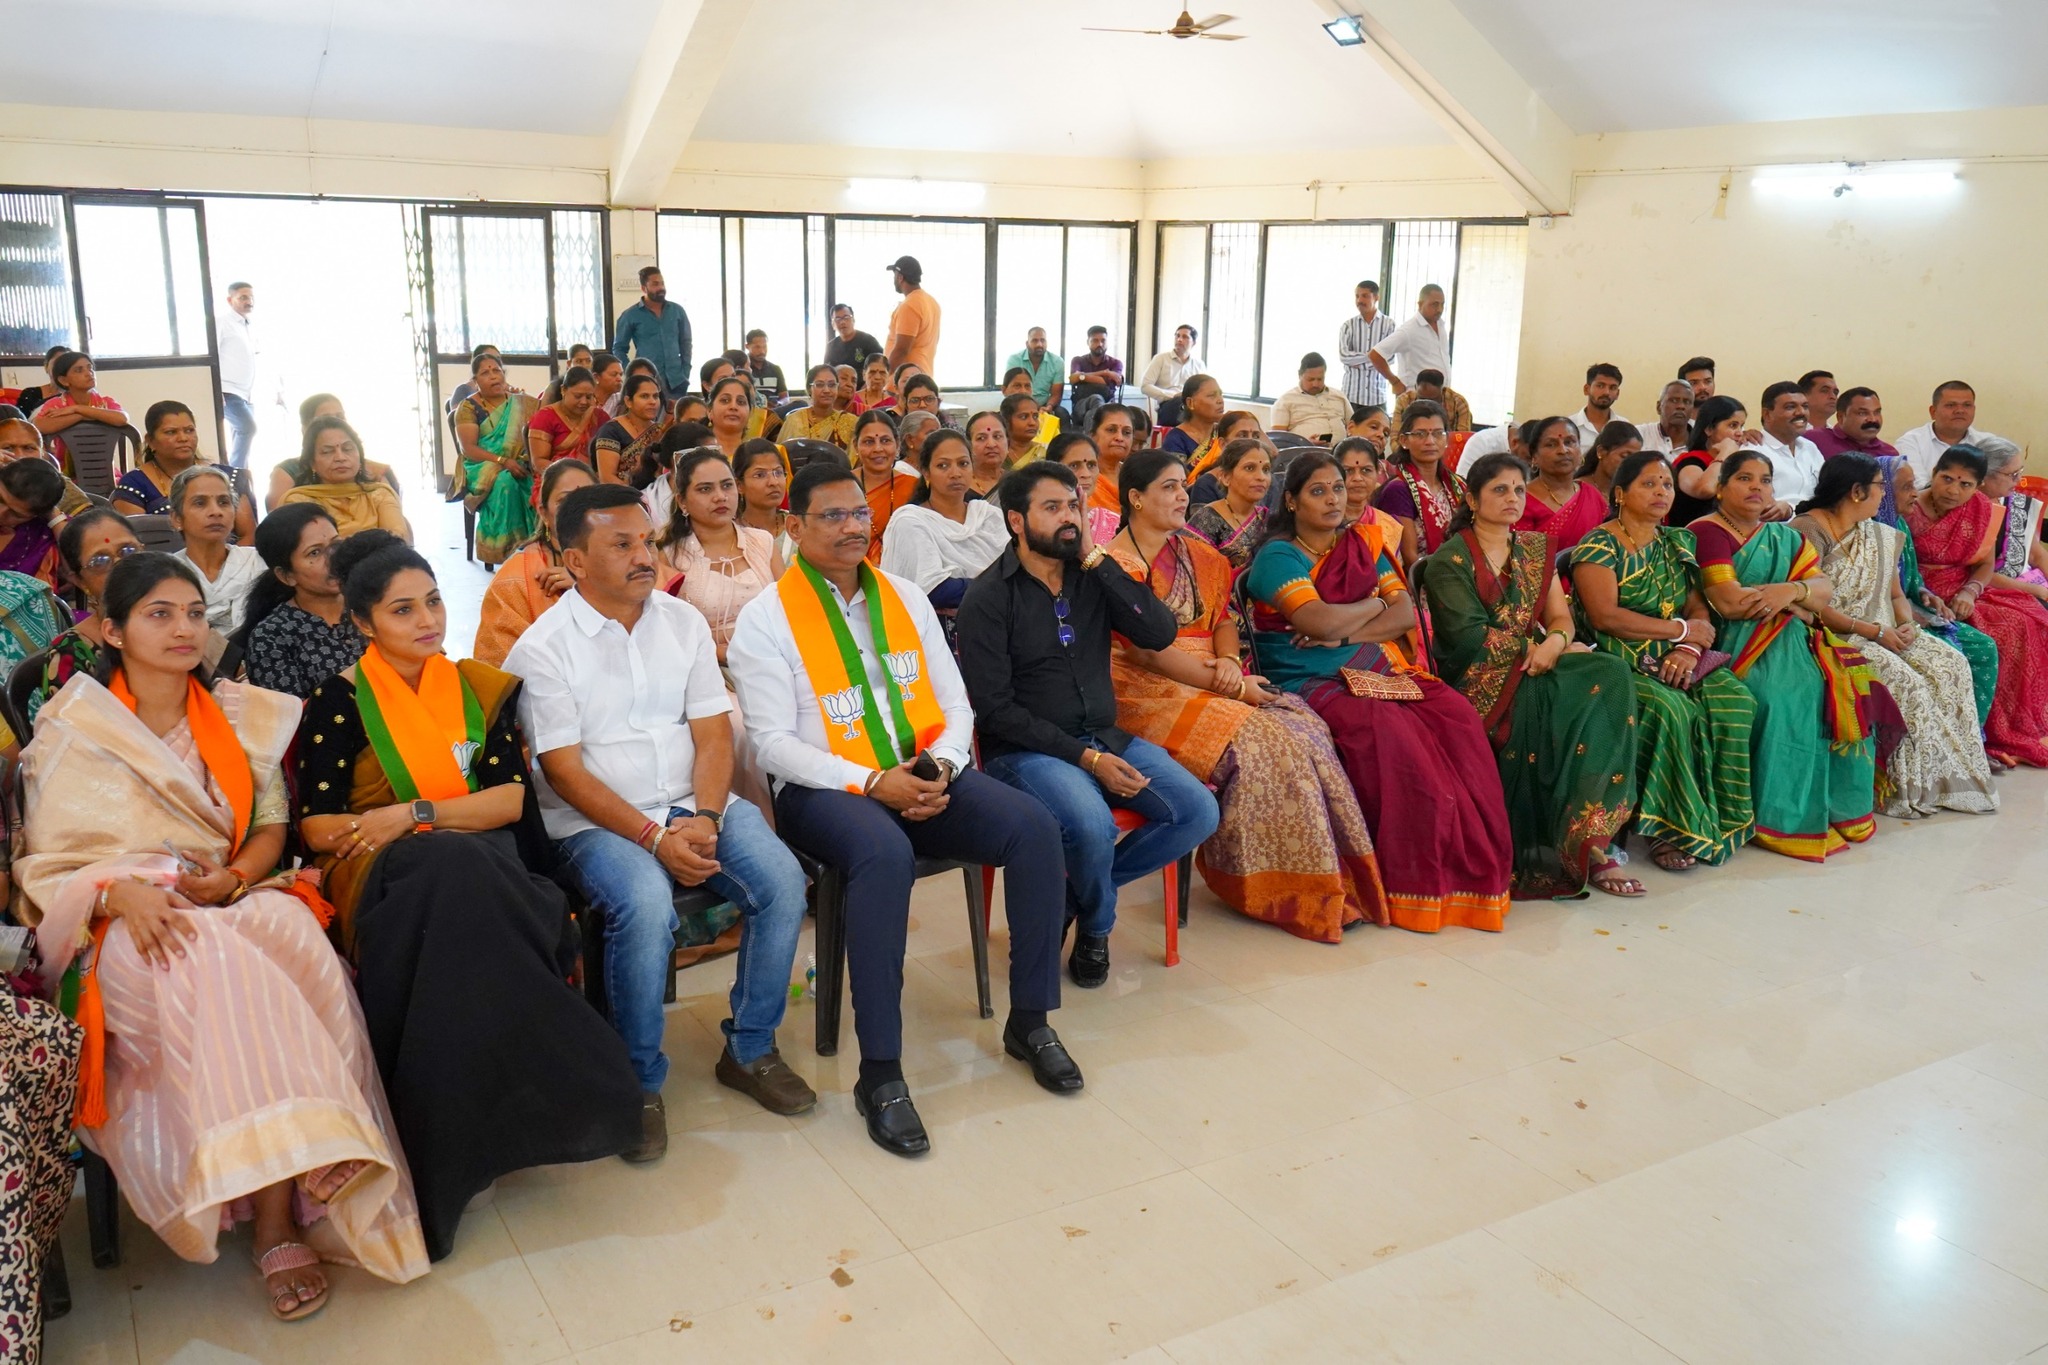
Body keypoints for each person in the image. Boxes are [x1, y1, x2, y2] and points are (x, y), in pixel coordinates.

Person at [17, 554, 428, 1316]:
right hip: (123, 927)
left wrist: (236, 876)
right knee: (208, 954)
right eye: (159, 613)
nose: (184, 628)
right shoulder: (75, 727)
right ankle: (301, 1170)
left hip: (225, 895)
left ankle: (291, 1183)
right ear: (113, 630)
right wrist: (119, 892)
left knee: (286, 927)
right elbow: (43, 866)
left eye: (194, 613)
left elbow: (271, 827)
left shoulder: (242, 714)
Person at [293, 532, 642, 1259]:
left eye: (433, 601)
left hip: (478, 864)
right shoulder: (338, 701)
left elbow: (509, 801)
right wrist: (406, 829)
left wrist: (413, 814)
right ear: (362, 622)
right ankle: (569, 1086)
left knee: (457, 884)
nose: (427, 620)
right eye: (402, 609)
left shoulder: (479, 689)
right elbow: (319, 826)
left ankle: (449, 1149)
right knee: (453, 875)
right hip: (382, 872)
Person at [729, 464, 1078, 1154]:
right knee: (883, 855)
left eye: (860, 513)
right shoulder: (766, 619)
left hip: (922, 769)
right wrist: (871, 782)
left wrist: (940, 766)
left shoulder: (904, 597)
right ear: (794, 527)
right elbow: (771, 744)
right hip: (824, 788)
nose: (852, 527)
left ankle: (1031, 1019)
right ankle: (881, 1072)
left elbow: (954, 703)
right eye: (832, 516)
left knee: (1034, 826)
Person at [510, 486, 814, 1158]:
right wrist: (653, 838)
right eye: (621, 544)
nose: (643, 556)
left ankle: (751, 1048)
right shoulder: (543, 648)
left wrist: (704, 816)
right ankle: (637, 1082)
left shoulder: (681, 622)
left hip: (690, 799)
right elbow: (564, 772)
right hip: (592, 822)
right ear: (575, 560)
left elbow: (712, 734)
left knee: (783, 882)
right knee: (645, 906)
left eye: (646, 541)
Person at [957, 461, 1219, 986]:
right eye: (1052, 508)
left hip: (1105, 736)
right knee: (1092, 826)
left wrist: (1098, 560)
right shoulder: (987, 598)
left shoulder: (1093, 577)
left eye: (1073, 506)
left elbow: (1158, 633)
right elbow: (995, 710)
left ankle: (1070, 899)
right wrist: (1087, 759)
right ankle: (1097, 928)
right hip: (1026, 753)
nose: (1069, 518)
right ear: (1016, 520)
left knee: (1197, 812)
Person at [1107, 450, 1383, 938]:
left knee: (1305, 729)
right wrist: (1228, 684)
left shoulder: (1200, 556)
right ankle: (1270, 888)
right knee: (1263, 745)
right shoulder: (1112, 567)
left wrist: (1231, 664)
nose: (1182, 496)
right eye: (1169, 487)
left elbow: (1223, 621)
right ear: (1136, 498)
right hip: (1143, 690)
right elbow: (1146, 653)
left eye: (1183, 485)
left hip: (1214, 675)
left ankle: (1330, 884)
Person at [1244, 450, 1512, 931]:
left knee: (1455, 715)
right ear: (1292, 501)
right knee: (1389, 730)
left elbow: (1405, 614)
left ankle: (1468, 871)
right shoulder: (1278, 556)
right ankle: (1401, 878)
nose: (1333, 499)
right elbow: (1316, 620)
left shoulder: (1363, 543)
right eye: (1318, 491)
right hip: (1306, 676)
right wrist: (1372, 606)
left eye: (1338, 488)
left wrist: (1345, 632)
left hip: (1371, 664)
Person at [1418, 454, 1642, 897]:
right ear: (1472, 499)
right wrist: (1534, 650)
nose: (1513, 498)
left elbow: (1560, 617)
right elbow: (1468, 638)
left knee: (1611, 672)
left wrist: (1555, 643)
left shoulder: (1535, 550)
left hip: (1537, 659)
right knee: (1580, 697)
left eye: (1519, 489)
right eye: (1500, 489)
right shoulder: (1451, 560)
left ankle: (1588, 838)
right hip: (1481, 678)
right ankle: (1578, 845)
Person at [1568, 452, 1757, 870]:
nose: (1661, 492)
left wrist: (1688, 649)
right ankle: (1668, 830)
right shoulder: (1599, 545)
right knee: (1670, 709)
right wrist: (1679, 632)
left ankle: (1720, 819)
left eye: (1667, 484)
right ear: (1620, 493)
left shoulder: (1676, 542)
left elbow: (1697, 607)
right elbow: (1604, 616)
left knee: (1737, 701)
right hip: (1617, 660)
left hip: (1677, 654)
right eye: (1649, 484)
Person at [1691, 450, 1877, 859]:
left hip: (1791, 636)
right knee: (1782, 697)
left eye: (1765, 480)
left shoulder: (1785, 537)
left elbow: (1823, 590)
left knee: (1846, 683)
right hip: (1734, 643)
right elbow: (1729, 602)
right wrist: (1797, 601)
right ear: (1720, 488)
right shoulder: (1707, 532)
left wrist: (1791, 592)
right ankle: (1776, 815)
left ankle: (1831, 808)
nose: (1756, 487)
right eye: (1744, 478)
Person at [1791, 454, 1997, 817]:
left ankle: (1948, 776)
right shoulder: (1808, 529)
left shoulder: (1875, 533)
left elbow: (1896, 594)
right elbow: (1810, 602)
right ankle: (1902, 787)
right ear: (1857, 491)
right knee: (1907, 682)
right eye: (1882, 487)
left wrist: (1907, 626)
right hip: (1835, 635)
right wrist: (1874, 631)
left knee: (1950, 664)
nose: (1886, 495)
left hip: (1882, 627)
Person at [1908, 444, 2048, 767]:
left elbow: (1985, 565)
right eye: (1947, 479)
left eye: (1965, 484)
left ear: (1978, 486)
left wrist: (1970, 592)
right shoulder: (1910, 508)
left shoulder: (1982, 508)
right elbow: (1901, 566)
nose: (1953, 490)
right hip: (1921, 589)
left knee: (2026, 620)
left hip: (1965, 587)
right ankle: (1983, 737)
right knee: (1997, 633)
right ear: (1934, 474)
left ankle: (2012, 727)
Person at [881, 427, 1009, 652]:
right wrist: (997, 588)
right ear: (926, 472)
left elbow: (1017, 573)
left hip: (1001, 632)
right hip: (941, 641)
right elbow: (937, 590)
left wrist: (974, 587)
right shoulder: (911, 521)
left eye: (963, 463)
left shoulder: (988, 516)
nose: (955, 473)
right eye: (943, 466)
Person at [655, 449, 783, 662]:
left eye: (726, 486)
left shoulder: (763, 542)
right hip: (703, 664)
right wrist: (727, 656)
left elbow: (788, 612)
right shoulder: (669, 556)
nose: (720, 497)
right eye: (705, 489)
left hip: (772, 658)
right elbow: (666, 633)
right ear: (682, 501)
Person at [474, 458, 595, 668]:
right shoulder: (515, 580)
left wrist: (591, 586)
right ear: (543, 512)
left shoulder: (622, 561)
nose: (579, 509)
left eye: (589, 499)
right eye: (565, 500)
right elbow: (498, 669)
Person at [235, 503, 365, 698]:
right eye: (315, 552)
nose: (334, 558)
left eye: (336, 544)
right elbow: (291, 714)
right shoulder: (271, 637)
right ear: (286, 576)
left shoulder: (370, 601)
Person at [27, 511, 144, 725]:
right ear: (79, 581)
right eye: (100, 561)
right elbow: (72, 737)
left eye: (128, 550)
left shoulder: (180, 618)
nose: (121, 565)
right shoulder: (71, 653)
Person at [114, 401, 257, 543]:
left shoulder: (227, 477)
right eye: (171, 432)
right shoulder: (134, 484)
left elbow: (248, 536)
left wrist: (228, 559)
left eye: (189, 430)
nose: (183, 438)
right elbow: (137, 544)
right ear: (150, 441)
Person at [454, 354, 539, 563]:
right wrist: (503, 461)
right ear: (475, 380)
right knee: (506, 483)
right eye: (485, 373)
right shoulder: (468, 408)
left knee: (538, 482)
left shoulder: (521, 403)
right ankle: (506, 551)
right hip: (483, 466)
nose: (493, 376)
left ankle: (535, 546)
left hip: (519, 462)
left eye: (497, 370)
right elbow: (469, 449)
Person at [282, 416, 412, 543]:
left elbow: (398, 540)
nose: (340, 457)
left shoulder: (379, 495)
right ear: (312, 463)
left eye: (347, 449)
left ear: (360, 456)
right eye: (327, 451)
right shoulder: (299, 502)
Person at [168, 466, 265, 633]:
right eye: (200, 503)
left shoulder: (257, 563)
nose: (216, 512)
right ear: (177, 519)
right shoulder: (166, 573)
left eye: (223, 502)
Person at [266, 394, 400, 511]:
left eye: (340, 417)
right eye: (327, 451)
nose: (340, 458)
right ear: (305, 429)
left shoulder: (375, 474)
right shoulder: (289, 475)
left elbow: (398, 524)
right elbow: (279, 523)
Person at [1372, 399, 1465, 566]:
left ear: (1446, 439)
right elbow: (1410, 558)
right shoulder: (1398, 490)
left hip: (1461, 570)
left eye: (1438, 433)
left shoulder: (1456, 485)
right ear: (1404, 441)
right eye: (1420, 434)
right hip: (1423, 576)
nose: (1430, 441)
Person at [1514, 416, 1606, 557]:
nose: (1563, 450)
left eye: (1569, 442)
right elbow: (1523, 561)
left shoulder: (1592, 495)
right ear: (1534, 457)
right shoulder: (1522, 501)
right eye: (1551, 444)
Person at [31, 352, 129, 474]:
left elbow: (122, 419)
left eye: (90, 368)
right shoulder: (56, 404)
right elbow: (40, 425)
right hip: (66, 474)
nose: (89, 373)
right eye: (79, 370)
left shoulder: (105, 402)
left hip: (106, 472)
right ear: (64, 380)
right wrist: (81, 415)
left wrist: (77, 408)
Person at [1184, 436, 1272, 571]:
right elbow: (1192, 571)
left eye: (1266, 469)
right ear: (1225, 477)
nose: (1261, 477)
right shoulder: (1208, 519)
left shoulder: (1266, 518)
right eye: (1249, 468)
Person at [1898, 380, 2003, 486]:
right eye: (1951, 405)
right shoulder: (1911, 442)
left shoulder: (1988, 443)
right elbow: (1917, 487)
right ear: (1933, 412)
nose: (1960, 411)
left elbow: (1998, 485)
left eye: (1967, 405)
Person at [850, 411, 919, 565]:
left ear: (897, 444)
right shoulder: (842, 487)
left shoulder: (914, 487)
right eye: (869, 442)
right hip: (851, 568)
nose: (878, 448)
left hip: (903, 569)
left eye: (885, 440)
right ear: (856, 445)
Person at [611, 266, 692, 395]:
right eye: (655, 284)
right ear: (644, 288)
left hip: (677, 381)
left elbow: (686, 343)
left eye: (662, 283)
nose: (661, 288)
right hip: (647, 382)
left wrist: (685, 371)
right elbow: (618, 349)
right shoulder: (630, 315)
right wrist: (632, 373)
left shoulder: (677, 311)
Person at [1671, 395, 1747, 527]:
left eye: (1742, 426)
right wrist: (1725, 452)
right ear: (1709, 429)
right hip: (1689, 535)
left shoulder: (1736, 465)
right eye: (1733, 425)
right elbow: (1705, 489)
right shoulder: (1690, 461)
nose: (1740, 433)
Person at [1367, 284, 1451, 402]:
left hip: (1440, 398)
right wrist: (1395, 382)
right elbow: (1375, 354)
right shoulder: (1409, 330)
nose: (1440, 309)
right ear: (1420, 304)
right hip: (1415, 398)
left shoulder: (1441, 325)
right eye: (1435, 304)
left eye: (1442, 304)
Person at [0, 415, 92, 520]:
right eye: (8, 448)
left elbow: (89, 525)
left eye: (29, 448)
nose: (19, 456)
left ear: (43, 452)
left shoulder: (61, 488)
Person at [217, 281, 267, 470]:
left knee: (240, 435)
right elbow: (213, 356)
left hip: (246, 393)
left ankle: (240, 477)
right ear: (230, 300)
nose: (249, 301)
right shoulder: (222, 323)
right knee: (247, 428)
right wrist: (215, 389)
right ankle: (234, 474)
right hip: (227, 390)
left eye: (251, 297)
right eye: (243, 297)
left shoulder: (248, 326)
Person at [527, 364, 602, 493]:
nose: (584, 402)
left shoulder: (598, 416)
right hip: (556, 481)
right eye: (578, 396)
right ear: (563, 390)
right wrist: (573, 477)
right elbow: (538, 462)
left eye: (589, 397)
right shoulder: (545, 417)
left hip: (593, 480)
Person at [590, 372, 670, 486]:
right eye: (644, 396)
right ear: (628, 401)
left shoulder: (660, 431)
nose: (652, 402)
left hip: (657, 493)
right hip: (620, 494)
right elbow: (607, 478)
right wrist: (638, 496)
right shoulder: (611, 431)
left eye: (656, 396)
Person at [1756, 380, 1823, 514]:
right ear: (1767, 414)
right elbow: (1754, 504)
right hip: (1776, 525)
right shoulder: (1754, 451)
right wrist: (1791, 510)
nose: (1801, 412)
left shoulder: (1809, 447)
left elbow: (1827, 490)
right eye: (1790, 407)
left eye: (1805, 406)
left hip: (1816, 521)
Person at [0, 460, 65, 586]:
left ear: (35, 516)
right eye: (0, 499)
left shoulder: (41, 534)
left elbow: (76, 566)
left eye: (15, 514)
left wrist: (54, 516)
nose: (0, 513)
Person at [1337, 281, 1398, 415]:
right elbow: (1344, 356)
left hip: (1377, 396)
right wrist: (1375, 357)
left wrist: (1357, 361)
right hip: (1351, 395)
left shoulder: (1389, 325)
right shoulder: (1348, 325)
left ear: (1376, 297)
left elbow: (1390, 359)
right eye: (1357, 296)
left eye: (1365, 296)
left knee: (1379, 429)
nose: (1359, 300)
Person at [1051, 433, 1121, 547]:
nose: (1086, 474)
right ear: (1052, 470)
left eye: (1091, 465)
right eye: (1074, 466)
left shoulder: (1114, 524)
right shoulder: (1040, 521)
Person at [1269, 352, 1352, 444]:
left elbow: (1354, 426)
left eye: (1320, 379)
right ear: (1299, 375)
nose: (1315, 384)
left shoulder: (1339, 396)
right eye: (1310, 379)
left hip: (1342, 450)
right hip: (1304, 450)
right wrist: (1305, 443)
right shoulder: (1285, 401)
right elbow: (1279, 441)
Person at [733, 439, 793, 564]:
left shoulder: (798, 526)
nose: (773, 482)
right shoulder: (732, 534)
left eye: (778, 472)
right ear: (739, 485)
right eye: (760, 475)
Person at [884, 255, 941, 373]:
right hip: (922, 374)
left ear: (900, 277)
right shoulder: (932, 302)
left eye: (894, 275)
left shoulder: (910, 305)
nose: (893, 279)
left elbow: (901, 350)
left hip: (906, 379)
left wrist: (885, 376)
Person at [1809, 386, 1898, 460]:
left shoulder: (1889, 454)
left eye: (1877, 412)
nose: (1873, 419)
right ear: (1841, 417)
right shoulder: (1813, 440)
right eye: (1862, 413)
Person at [779, 365, 855, 449]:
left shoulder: (850, 422)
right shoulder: (794, 420)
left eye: (832, 385)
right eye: (819, 385)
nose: (827, 390)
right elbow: (781, 453)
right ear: (809, 389)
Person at [1140, 323, 1204, 424]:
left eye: (1185, 337)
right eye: (1177, 336)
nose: (1179, 339)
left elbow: (1203, 389)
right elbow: (1145, 386)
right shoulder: (1161, 359)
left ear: (1194, 343)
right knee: (1181, 405)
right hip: (1168, 405)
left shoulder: (1199, 365)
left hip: (1191, 406)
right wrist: (1173, 395)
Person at [1067, 326, 1123, 432]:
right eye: (1095, 341)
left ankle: (1090, 438)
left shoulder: (1116, 363)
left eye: (1103, 341)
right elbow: (1073, 378)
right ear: (1088, 342)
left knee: (1092, 412)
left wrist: (1082, 377)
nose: (1100, 344)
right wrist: (1104, 373)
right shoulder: (1078, 360)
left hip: (1107, 405)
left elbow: (1108, 382)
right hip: (1081, 405)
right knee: (1096, 399)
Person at [1091, 402, 1144, 515]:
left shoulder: (1137, 476)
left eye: (1127, 432)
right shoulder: (1083, 478)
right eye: (1111, 430)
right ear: (1092, 435)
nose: (1120, 438)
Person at [1163, 374, 1224, 463]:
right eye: (1212, 395)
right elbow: (1175, 471)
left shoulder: (1222, 432)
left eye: (1221, 394)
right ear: (1190, 402)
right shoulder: (1176, 439)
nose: (1220, 400)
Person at [1568, 363, 1627, 452]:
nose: (1606, 392)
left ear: (1617, 394)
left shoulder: (1625, 427)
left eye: (1612, 388)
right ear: (1586, 389)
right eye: (1600, 386)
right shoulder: (1569, 426)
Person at [1005, 328, 1064, 413]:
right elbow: (1011, 389)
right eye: (1034, 341)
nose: (1039, 344)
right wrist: (1033, 406)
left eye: (1042, 340)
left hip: (1045, 405)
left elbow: (1056, 394)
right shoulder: (1015, 360)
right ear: (1027, 344)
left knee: (1062, 414)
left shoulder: (1057, 362)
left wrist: (1049, 407)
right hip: (1019, 403)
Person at [1582, 420, 1642, 500]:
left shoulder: (1629, 494)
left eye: (1635, 459)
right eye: (1624, 456)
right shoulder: (1578, 490)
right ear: (1601, 452)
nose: (1631, 465)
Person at [1636, 379, 1696, 456]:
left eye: (1687, 402)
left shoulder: (1703, 440)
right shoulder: (1640, 435)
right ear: (1659, 407)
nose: (1681, 406)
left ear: (1692, 410)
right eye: (1674, 400)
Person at [1403, 370, 1473, 432]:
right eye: (1422, 399)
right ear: (1415, 388)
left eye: (1433, 400)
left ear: (1442, 390)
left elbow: (1462, 437)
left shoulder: (1458, 403)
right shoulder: (1404, 401)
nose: (1427, 404)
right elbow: (1397, 435)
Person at [824, 303, 883, 372]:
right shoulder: (831, 347)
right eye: (838, 319)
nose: (842, 322)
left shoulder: (869, 341)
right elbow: (827, 372)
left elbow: (883, 365)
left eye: (846, 317)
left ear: (853, 320)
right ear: (833, 324)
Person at [965, 409, 1009, 496]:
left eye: (997, 436)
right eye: (981, 438)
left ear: (1008, 442)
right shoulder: (960, 487)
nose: (991, 444)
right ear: (969, 445)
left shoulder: (1019, 482)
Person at [1000, 392, 1047, 468]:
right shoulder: (997, 454)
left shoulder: (1045, 452)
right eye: (1024, 417)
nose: (1032, 423)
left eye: (1035, 417)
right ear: (1006, 421)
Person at [742, 329, 787, 403]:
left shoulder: (776, 369)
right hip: (752, 408)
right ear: (747, 346)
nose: (762, 351)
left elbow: (785, 397)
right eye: (757, 347)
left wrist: (779, 404)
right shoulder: (743, 369)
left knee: (800, 403)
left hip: (774, 408)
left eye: (764, 347)